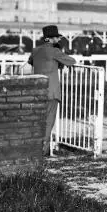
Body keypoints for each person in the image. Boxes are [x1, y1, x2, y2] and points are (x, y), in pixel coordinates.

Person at [27, 25, 76, 156]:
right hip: (52, 92)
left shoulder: (35, 50)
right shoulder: (54, 51)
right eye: (56, 37)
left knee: (38, 121)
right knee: (48, 122)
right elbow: (72, 61)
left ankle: (36, 148)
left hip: (38, 91)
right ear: (50, 39)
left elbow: (31, 61)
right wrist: (58, 59)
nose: (57, 39)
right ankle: (43, 151)